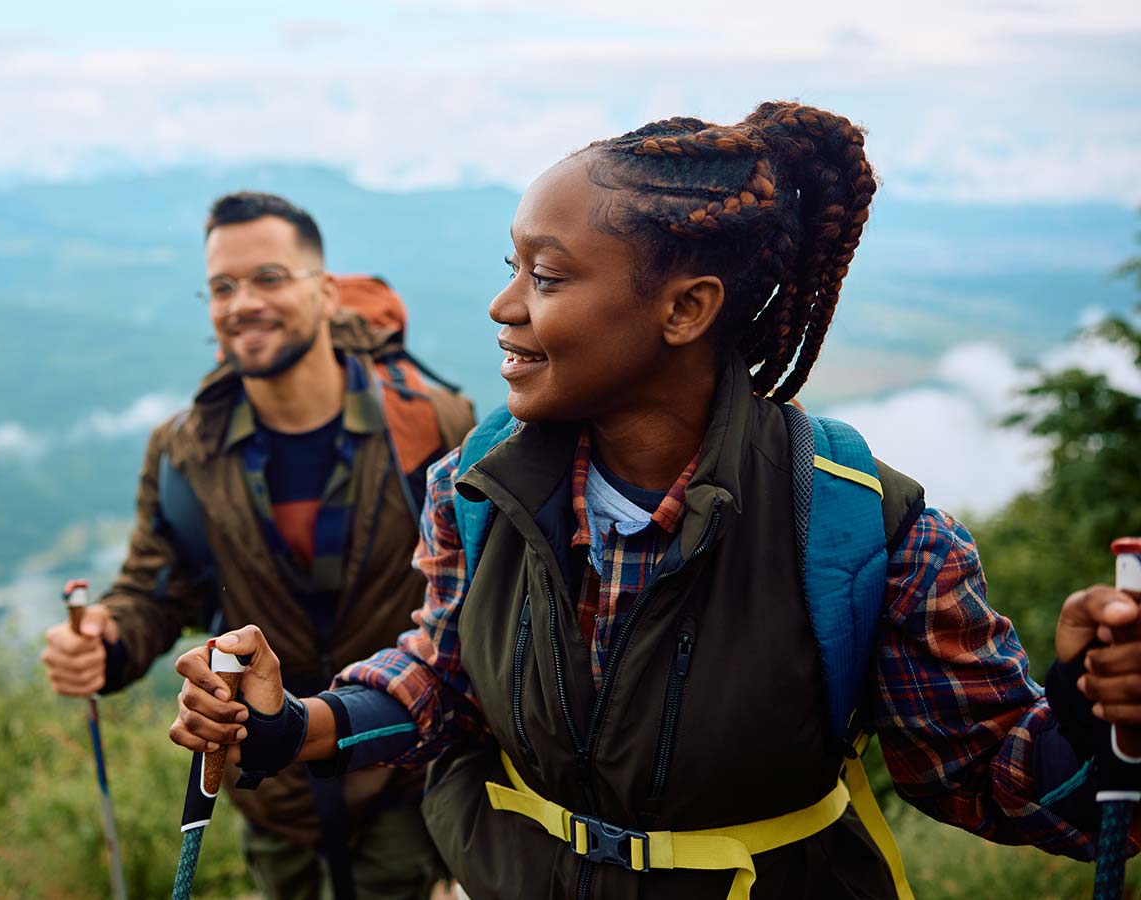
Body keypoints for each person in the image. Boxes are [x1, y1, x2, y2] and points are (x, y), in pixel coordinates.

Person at [168, 104, 1141, 899]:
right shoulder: (476, 487)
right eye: (509, 267)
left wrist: (1099, 716)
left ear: (685, 309)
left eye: (545, 277)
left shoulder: (864, 531)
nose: (505, 307)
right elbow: (447, 677)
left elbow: (1011, 786)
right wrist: (291, 724)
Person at [43, 191, 475, 899]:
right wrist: (105, 642)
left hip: (406, 783)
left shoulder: (432, 423)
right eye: (223, 286)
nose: (244, 302)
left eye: (269, 278)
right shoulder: (187, 454)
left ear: (325, 291)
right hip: (268, 793)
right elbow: (157, 589)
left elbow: (479, 600)